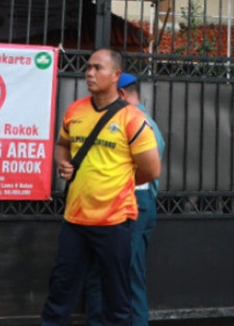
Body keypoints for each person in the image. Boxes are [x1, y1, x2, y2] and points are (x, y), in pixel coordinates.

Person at [40, 49, 161, 326]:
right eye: (88, 68)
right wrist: (63, 163)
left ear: (116, 75)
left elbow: (152, 170)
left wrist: (118, 185)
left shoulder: (132, 119)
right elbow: (62, 146)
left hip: (115, 222)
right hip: (74, 220)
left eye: (97, 68)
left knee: (116, 300)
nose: (89, 73)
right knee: (60, 294)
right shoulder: (75, 110)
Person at [86, 72, 166, 326]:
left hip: (128, 205)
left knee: (104, 275)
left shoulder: (132, 121)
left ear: (120, 94)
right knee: (133, 278)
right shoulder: (148, 121)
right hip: (142, 206)